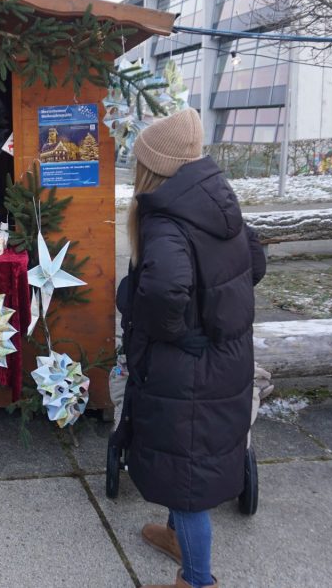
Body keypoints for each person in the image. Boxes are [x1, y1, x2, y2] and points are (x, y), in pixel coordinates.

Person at [115, 109, 265, 588]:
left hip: (190, 368)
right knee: (184, 462)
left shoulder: (166, 220)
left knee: (187, 480)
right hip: (221, 360)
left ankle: (197, 580)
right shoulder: (215, 199)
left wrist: (174, 329)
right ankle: (177, 537)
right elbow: (254, 262)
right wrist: (213, 309)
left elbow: (163, 293)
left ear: (155, 167)